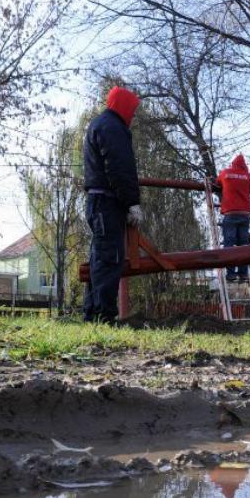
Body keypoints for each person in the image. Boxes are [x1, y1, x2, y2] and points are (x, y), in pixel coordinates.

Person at [82, 86, 142, 324]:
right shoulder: (113, 128)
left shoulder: (101, 124)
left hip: (99, 201)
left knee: (100, 257)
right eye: (133, 111)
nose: (134, 116)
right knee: (109, 258)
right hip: (107, 202)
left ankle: (93, 313)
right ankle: (104, 316)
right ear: (124, 106)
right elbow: (120, 168)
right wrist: (132, 203)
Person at [216, 154, 250, 282]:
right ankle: (243, 274)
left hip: (230, 212)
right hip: (245, 213)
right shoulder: (246, 175)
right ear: (244, 165)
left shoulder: (225, 173)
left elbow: (217, 183)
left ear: (233, 164)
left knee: (229, 243)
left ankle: (231, 274)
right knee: (243, 244)